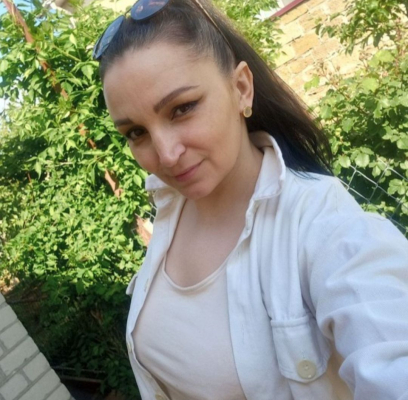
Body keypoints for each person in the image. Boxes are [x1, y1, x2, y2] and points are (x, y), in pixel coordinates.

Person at [94, 0, 408, 398]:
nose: (166, 154)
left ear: (241, 88)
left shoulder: (325, 229)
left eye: (182, 108)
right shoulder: (170, 207)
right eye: (136, 133)